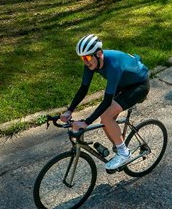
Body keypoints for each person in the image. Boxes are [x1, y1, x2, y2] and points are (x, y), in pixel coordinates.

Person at [60, 34, 151, 171]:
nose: (85, 61)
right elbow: (83, 89)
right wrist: (69, 110)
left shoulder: (113, 64)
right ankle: (119, 146)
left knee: (106, 116)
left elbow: (107, 100)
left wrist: (86, 122)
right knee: (106, 122)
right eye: (82, 58)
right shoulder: (92, 64)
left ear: (99, 54)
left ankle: (124, 153)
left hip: (139, 85)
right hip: (123, 84)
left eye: (87, 57)